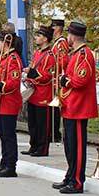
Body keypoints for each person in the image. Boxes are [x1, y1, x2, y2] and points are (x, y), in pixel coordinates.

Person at [53, 22, 97, 194]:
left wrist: (66, 81)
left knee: (77, 146)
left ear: (72, 35)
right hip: (71, 105)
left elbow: (81, 79)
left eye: (69, 35)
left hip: (79, 107)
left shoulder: (84, 54)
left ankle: (77, 181)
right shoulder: (76, 54)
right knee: (69, 145)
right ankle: (70, 176)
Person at [0, 35, 23, 178]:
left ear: (7, 43)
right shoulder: (5, 58)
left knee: (8, 135)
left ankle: (11, 166)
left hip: (9, 102)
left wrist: (0, 86)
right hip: (1, 101)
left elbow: (13, 82)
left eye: (0, 42)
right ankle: (4, 162)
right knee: (2, 134)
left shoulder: (13, 59)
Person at [22, 26, 56, 157]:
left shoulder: (50, 56)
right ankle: (34, 145)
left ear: (45, 38)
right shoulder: (37, 53)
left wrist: (31, 73)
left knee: (42, 124)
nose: (36, 38)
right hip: (33, 93)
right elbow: (33, 68)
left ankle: (42, 148)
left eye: (39, 35)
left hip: (43, 94)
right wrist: (27, 71)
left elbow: (47, 76)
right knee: (33, 123)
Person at [50, 19, 68, 143]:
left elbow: (63, 61)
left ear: (59, 28)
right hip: (54, 77)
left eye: (53, 27)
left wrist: (52, 66)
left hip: (57, 77)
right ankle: (53, 131)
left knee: (57, 110)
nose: (51, 29)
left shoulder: (61, 43)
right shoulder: (56, 43)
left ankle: (56, 133)